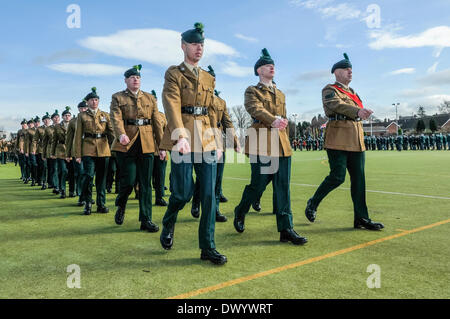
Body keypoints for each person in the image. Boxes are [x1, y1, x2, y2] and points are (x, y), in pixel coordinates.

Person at [158, 23, 226, 265]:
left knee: (209, 194)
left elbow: (211, 113)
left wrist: (217, 140)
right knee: (183, 193)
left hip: (206, 137)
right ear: (183, 46)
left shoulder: (209, 77)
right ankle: (169, 220)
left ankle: (208, 246)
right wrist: (180, 136)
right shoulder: (174, 73)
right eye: (195, 44)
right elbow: (171, 104)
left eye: (202, 45)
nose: (199, 48)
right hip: (183, 135)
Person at [233, 48, 307, 245]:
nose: (271, 67)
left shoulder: (281, 93)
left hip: (281, 143)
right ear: (258, 70)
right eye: (267, 65)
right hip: (261, 141)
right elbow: (254, 108)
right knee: (258, 183)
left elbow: (284, 120)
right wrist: (273, 119)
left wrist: (286, 137)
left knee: (282, 185)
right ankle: (241, 210)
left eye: (273, 64)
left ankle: (286, 229)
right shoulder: (252, 90)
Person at [304, 53, 384, 231]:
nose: (350, 72)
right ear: (336, 72)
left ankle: (362, 218)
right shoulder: (330, 89)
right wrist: (357, 111)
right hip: (338, 138)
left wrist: (359, 113)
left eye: (351, 69)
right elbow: (336, 106)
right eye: (346, 69)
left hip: (356, 139)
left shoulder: (353, 92)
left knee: (359, 180)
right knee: (337, 176)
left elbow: (355, 110)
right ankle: (313, 202)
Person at [110, 65, 165, 232]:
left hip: (147, 143)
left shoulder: (149, 98)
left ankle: (146, 219)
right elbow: (116, 118)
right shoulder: (118, 97)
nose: (135, 79)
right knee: (128, 181)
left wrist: (161, 146)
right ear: (126, 80)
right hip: (126, 144)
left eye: (138, 77)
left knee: (146, 183)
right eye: (132, 77)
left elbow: (156, 122)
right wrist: (120, 134)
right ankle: (121, 203)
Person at [74, 87, 114, 215]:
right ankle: (87, 203)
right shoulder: (82, 116)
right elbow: (78, 136)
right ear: (87, 102)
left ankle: (101, 204)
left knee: (101, 179)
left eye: (96, 100)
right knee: (88, 176)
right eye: (91, 100)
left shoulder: (105, 115)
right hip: (88, 149)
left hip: (103, 149)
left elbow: (112, 133)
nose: (94, 102)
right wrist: (78, 154)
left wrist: (117, 149)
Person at [66, 101, 89, 205]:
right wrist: (68, 154)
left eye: (85, 108)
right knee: (80, 173)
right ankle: (81, 196)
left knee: (89, 175)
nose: (83, 110)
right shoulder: (73, 121)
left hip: (90, 151)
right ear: (78, 109)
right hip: (77, 151)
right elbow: (69, 139)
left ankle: (87, 196)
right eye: (81, 108)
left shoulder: (92, 119)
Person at [150, 90, 169, 207]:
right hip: (147, 148)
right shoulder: (144, 115)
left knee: (160, 175)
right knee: (145, 176)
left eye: (155, 100)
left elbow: (167, 132)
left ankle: (159, 197)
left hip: (160, 149)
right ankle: (141, 194)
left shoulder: (162, 116)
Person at [51, 107, 72, 199]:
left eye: (69, 115)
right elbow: (54, 140)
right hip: (61, 150)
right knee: (63, 171)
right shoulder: (57, 126)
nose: (67, 117)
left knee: (72, 172)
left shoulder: (74, 124)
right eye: (65, 116)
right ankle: (62, 190)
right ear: (62, 117)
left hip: (72, 150)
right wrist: (52, 152)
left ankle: (72, 190)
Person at [43, 110, 60, 193]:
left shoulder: (63, 126)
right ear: (52, 119)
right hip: (52, 150)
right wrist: (44, 154)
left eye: (57, 117)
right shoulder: (48, 129)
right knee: (53, 168)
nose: (56, 119)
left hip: (62, 150)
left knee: (62, 169)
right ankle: (55, 185)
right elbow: (45, 142)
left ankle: (59, 185)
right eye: (55, 117)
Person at [32, 114, 48, 188]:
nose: (46, 121)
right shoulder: (40, 129)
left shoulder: (54, 127)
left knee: (52, 167)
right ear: (43, 121)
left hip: (52, 150)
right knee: (43, 166)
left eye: (48, 119)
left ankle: (51, 182)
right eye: (45, 119)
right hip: (41, 150)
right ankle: (42, 181)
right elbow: (35, 140)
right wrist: (34, 149)